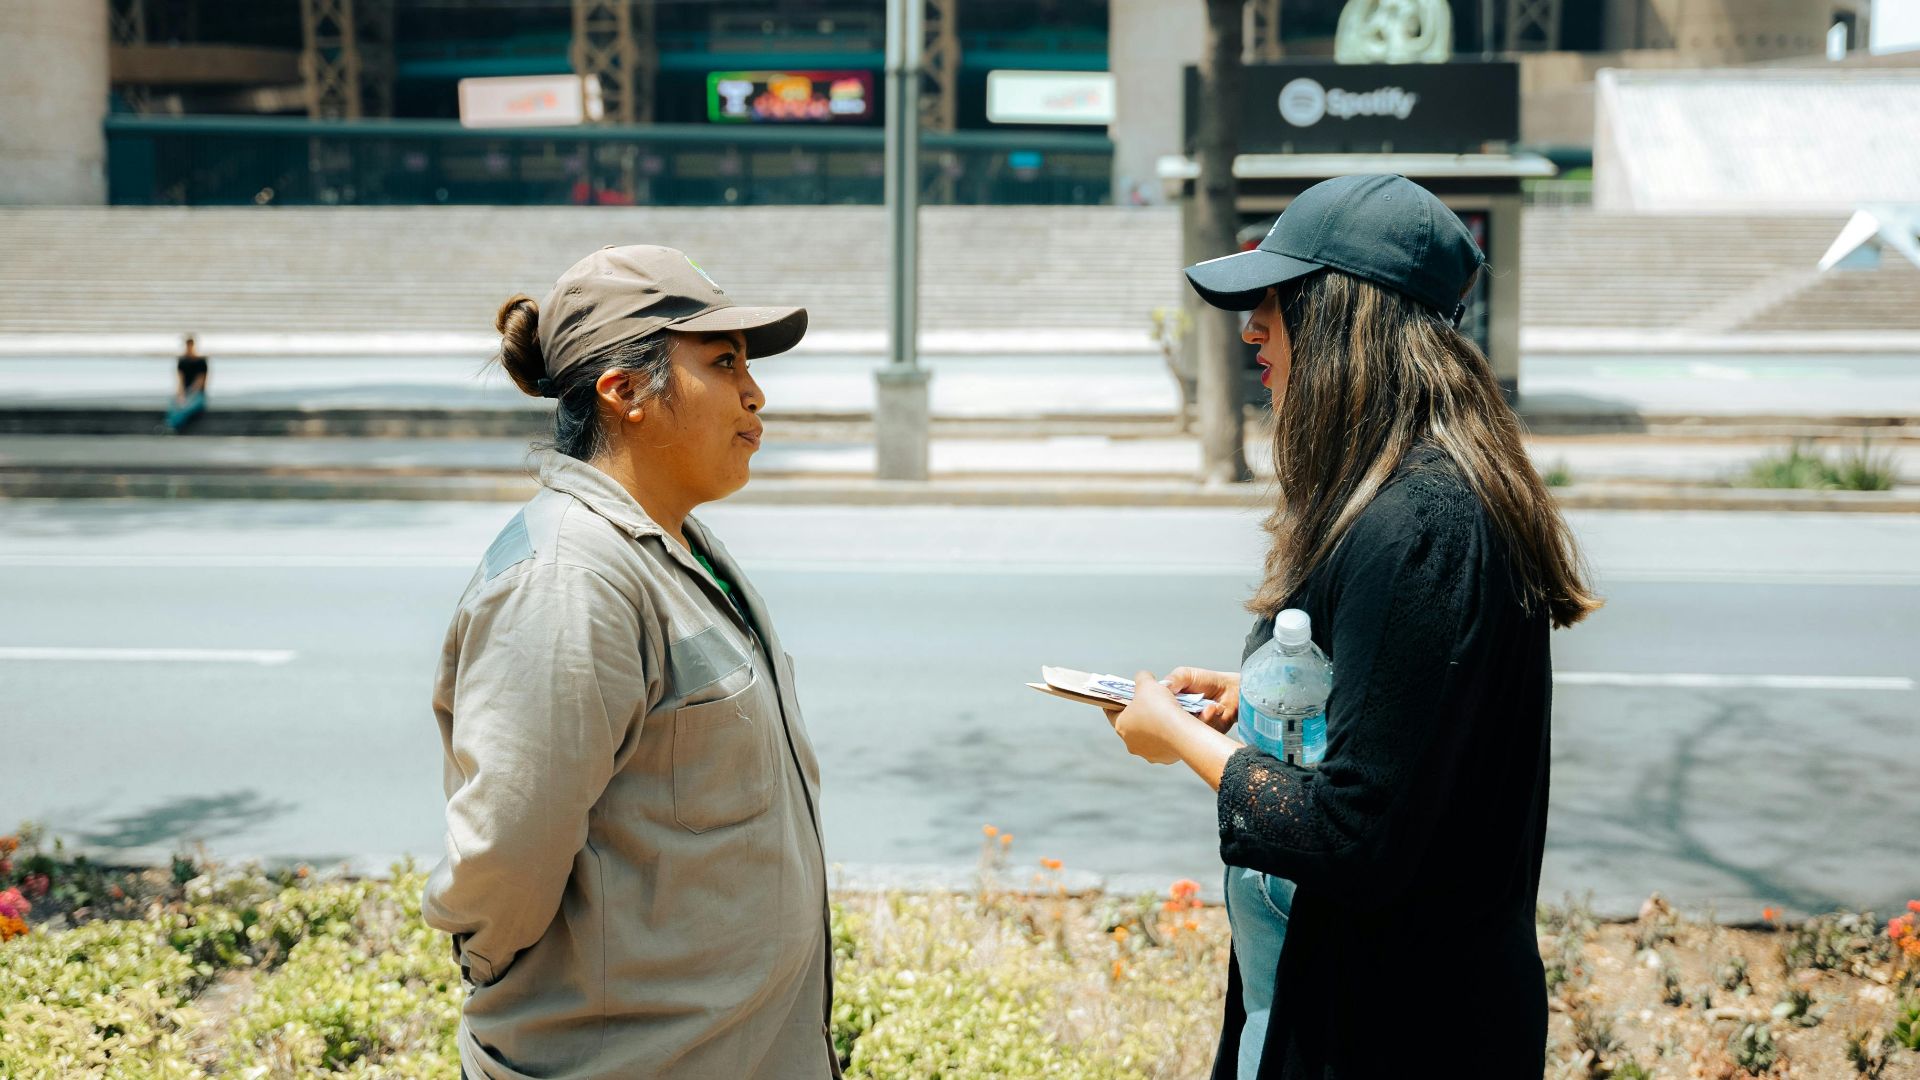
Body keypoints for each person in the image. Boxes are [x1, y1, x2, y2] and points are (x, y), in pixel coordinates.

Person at [1104, 174, 1601, 1078]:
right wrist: (1255, 700)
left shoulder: (1420, 522)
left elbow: (1353, 833)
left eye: (1277, 298)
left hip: (1395, 1035)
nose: (1252, 324)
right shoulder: (1417, 498)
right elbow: (1402, 722)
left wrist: (1176, 737)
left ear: (1345, 317)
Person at [422, 245, 839, 1080]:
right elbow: (507, 851)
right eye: (722, 364)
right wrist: (506, 978)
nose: (755, 394)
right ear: (623, 393)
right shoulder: (570, 577)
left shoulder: (676, 545)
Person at [164, 334, 208, 433]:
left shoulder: (201, 362)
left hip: (197, 394)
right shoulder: (182, 361)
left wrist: (188, 396)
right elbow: (180, 380)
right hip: (185, 392)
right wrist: (180, 395)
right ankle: (169, 425)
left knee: (186, 407)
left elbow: (200, 382)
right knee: (173, 405)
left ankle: (172, 426)